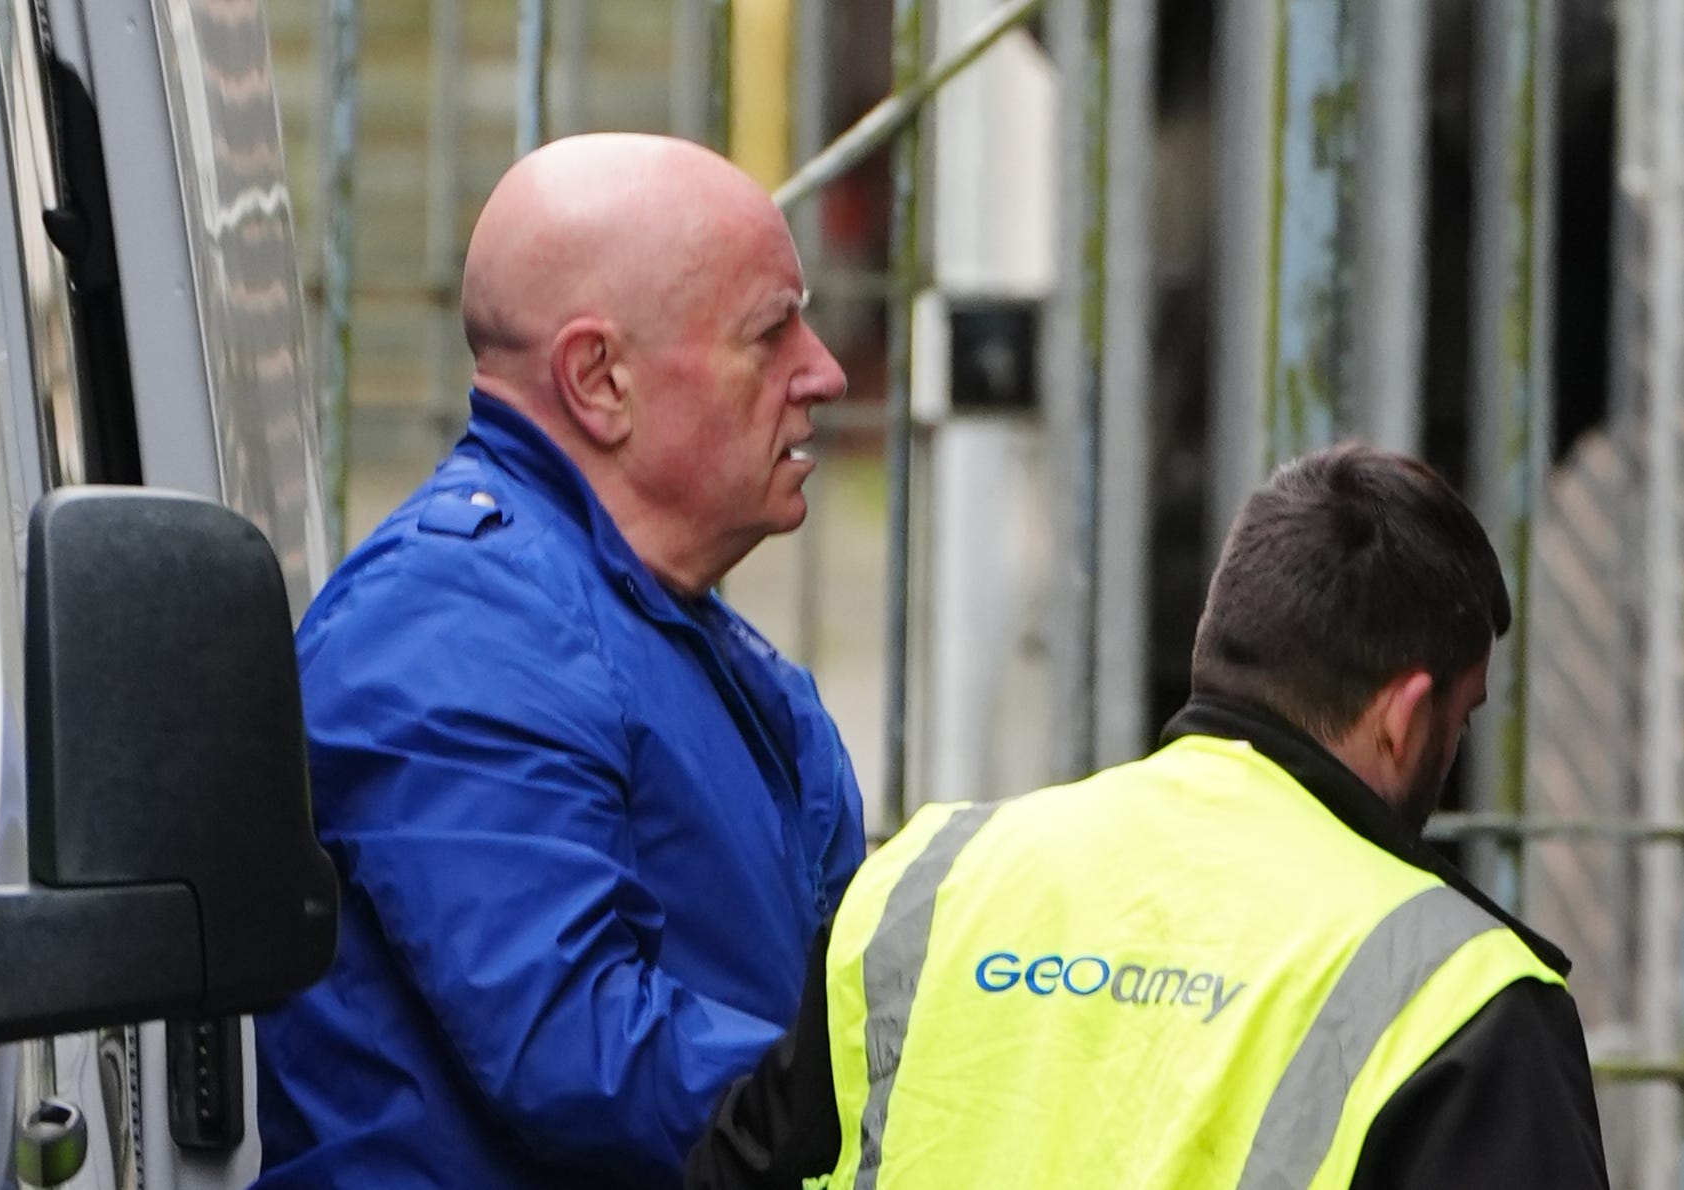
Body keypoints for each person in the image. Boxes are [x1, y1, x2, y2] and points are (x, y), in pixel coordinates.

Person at [687, 444, 1608, 1189]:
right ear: (1406, 718)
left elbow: (735, 1169)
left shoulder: (926, 886)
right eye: (1463, 716)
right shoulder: (1458, 997)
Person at [253, 132, 866, 1188]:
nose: (825, 370)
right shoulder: (451, 626)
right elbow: (582, 1051)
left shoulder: (674, 629)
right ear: (599, 379)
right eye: (772, 333)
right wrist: (887, 1075)